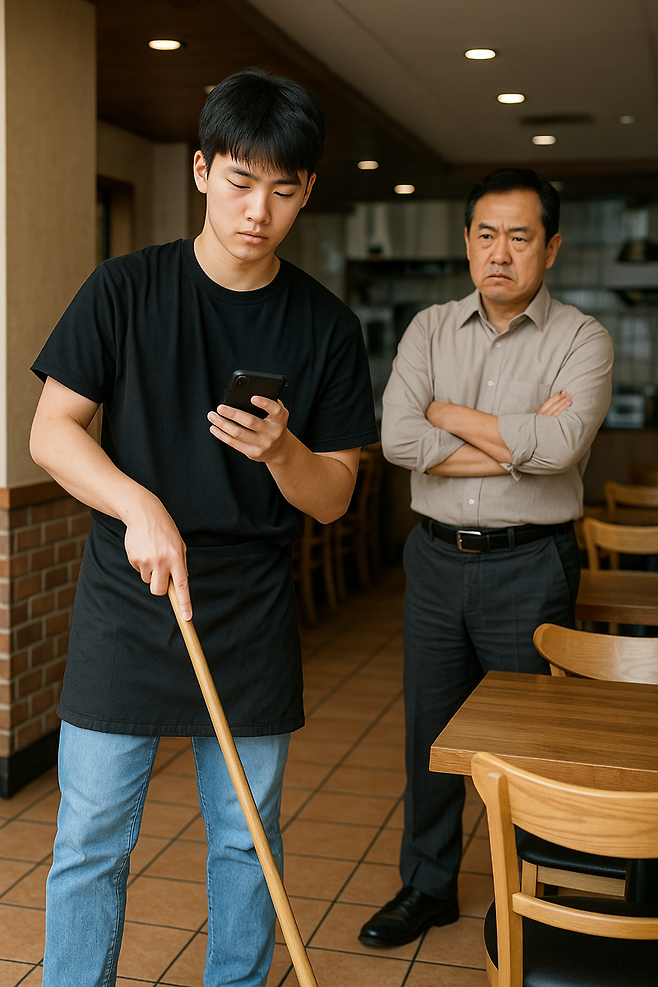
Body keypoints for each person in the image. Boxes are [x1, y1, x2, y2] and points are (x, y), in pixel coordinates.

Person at [30, 69, 378, 987]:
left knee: (245, 839)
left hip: (249, 599)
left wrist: (281, 452)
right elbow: (51, 431)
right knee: (91, 836)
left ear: (307, 191)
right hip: (130, 589)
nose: (258, 208)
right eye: (239, 180)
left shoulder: (326, 327)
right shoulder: (124, 290)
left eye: (284, 188)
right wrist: (139, 503)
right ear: (200, 170)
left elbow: (336, 495)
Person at [358, 168, 613, 948]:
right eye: (487, 234)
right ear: (467, 241)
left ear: (552, 247)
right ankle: (428, 885)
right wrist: (514, 439)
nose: (500, 252)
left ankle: (522, 893)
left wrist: (448, 416)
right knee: (431, 735)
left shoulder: (582, 339)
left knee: (529, 746)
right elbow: (399, 438)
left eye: (521, 236)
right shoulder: (429, 328)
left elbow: (563, 445)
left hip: (530, 563)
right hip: (433, 561)